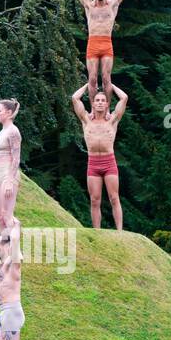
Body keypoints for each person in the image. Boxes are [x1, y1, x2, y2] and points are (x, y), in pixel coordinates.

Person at [70, 82, 127, 230]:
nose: (100, 103)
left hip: (109, 162)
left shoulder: (113, 120)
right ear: (93, 104)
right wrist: (89, 84)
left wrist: (110, 84)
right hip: (93, 163)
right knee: (95, 200)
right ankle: (97, 231)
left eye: (103, 101)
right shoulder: (86, 120)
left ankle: (120, 232)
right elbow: (75, 98)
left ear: (107, 104)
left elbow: (124, 98)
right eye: (97, 101)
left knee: (114, 198)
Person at [73, 0, 129, 95]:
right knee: (92, 79)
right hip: (92, 43)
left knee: (106, 78)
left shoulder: (113, 4)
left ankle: (107, 109)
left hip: (106, 43)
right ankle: (93, 110)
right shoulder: (88, 4)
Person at [0, 216, 24, 340]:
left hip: (11, 311)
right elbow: (2, 234)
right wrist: (2, 218)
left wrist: (16, 226)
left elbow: (13, 241)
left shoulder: (14, 264)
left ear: (4, 247)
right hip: (3, 312)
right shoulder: (1, 263)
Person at [0, 99, 21, 234]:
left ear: (9, 112)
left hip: (9, 176)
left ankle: (15, 251)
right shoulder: (2, 132)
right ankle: (3, 250)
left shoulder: (13, 132)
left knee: (7, 215)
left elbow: (16, 158)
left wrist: (10, 180)